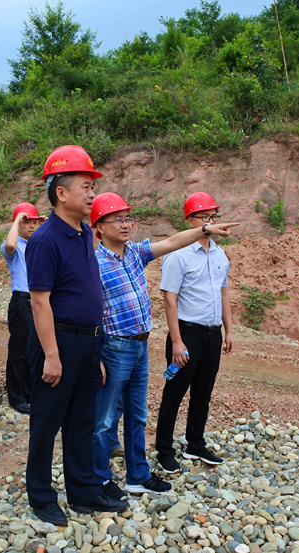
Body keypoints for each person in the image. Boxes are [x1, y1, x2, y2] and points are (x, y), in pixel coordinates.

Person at [90, 192, 238, 497]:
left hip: (140, 346)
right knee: (105, 419)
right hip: (114, 348)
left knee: (137, 415)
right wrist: (96, 356)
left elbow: (171, 241)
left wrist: (206, 230)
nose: (125, 224)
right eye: (116, 219)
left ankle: (138, 475)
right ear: (99, 228)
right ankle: (99, 480)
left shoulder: (134, 253)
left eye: (127, 218)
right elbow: (88, 313)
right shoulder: (92, 265)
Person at [25, 145, 128, 526]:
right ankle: (40, 496)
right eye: (85, 185)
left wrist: (95, 353)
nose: (91, 193)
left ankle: (84, 492)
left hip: (89, 342)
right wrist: (52, 355)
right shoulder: (45, 239)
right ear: (61, 192)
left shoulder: (85, 233)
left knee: (82, 421)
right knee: (47, 423)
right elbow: (39, 302)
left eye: (92, 186)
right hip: (59, 342)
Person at [154, 192, 235, 474]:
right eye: (204, 217)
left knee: (203, 392)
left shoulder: (220, 254)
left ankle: (194, 443)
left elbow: (224, 293)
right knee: (174, 393)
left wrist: (229, 330)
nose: (211, 222)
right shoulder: (178, 255)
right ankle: (164, 449)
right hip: (187, 334)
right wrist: (176, 341)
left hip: (212, 335)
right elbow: (169, 299)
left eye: (214, 216)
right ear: (190, 220)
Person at [0, 202, 43, 414]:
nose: (32, 226)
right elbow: (9, 246)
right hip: (21, 301)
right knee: (19, 351)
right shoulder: (14, 245)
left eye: (34, 221)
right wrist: (17, 220)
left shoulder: (38, 244)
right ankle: (15, 396)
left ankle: (29, 392)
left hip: (39, 300)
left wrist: (46, 225)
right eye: (28, 222)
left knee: (34, 349)